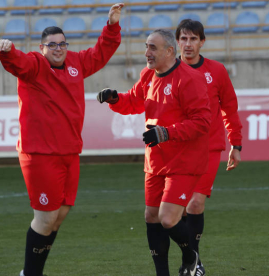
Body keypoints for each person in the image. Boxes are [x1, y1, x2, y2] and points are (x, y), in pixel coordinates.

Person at [0, 3, 124, 276]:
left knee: (59, 216)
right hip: (40, 154)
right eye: (51, 45)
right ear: (42, 48)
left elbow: (101, 53)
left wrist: (112, 26)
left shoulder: (77, 62)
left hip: (69, 152)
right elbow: (17, 62)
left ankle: (34, 272)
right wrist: (5, 50)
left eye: (62, 44)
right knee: (45, 218)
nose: (58, 49)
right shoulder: (35, 65)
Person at [97, 29, 211, 276]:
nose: (147, 53)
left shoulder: (190, 79)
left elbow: (202, 122)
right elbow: (135, 102)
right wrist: (115, 98)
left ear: (170, 51)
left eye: (152, 48)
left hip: (184, 159)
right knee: (151, 216)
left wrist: (165, 133)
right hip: (156, 159)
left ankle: (191, 255)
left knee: (168, 218)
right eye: (146, 46)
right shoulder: (148, 75)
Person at [175, 19, 243, 276]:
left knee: (194, 204)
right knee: (176, 209)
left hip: (208, 148)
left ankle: (194, 262)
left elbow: (230, 108)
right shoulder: (167, 70)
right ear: (177, 41)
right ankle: (190, 259)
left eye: (193, 39)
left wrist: (236, 143)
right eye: (183, 38)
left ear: (202, 42)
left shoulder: (216, 71)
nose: (188, 44)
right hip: (176, 149)